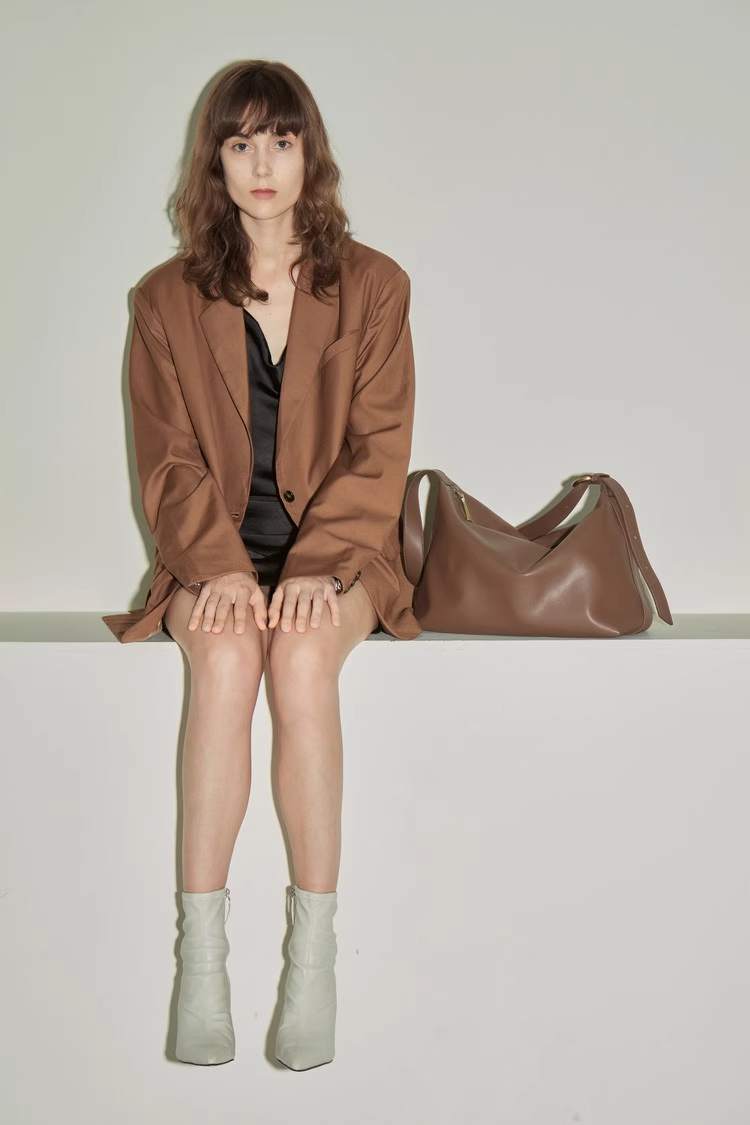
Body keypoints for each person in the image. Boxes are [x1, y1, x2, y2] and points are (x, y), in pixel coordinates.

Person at [101, 59, 421, 1071]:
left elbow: (380, 447)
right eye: (240, 144)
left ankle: (312, 964)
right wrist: (220, 568)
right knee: (232, 655)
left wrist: (318, 565)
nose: (263, 163)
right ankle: (200, 967)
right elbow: (167, 460)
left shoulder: (374, 286)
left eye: (281, 139)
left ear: (309, 152)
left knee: (301, 658)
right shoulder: (163, 300)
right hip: (215, 559)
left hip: (346, 557)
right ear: (215, 162)